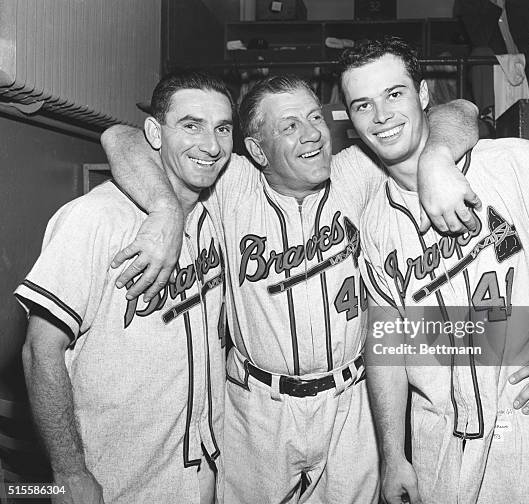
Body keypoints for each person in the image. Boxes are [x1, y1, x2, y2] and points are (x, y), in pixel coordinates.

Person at [100, 70, 480, 501]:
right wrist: (166, 208)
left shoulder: (356, 171)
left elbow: (461, 112)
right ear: (258, 151)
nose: (312, 135)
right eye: (290, 126)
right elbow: (120, 138)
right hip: (258, 410)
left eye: (314, 117)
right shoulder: (231, 183)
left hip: (351, 406)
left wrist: (435, 159)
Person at [338, 37, 529, 503]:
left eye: (395, 94)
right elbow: (387, 346)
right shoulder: (375, 224)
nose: (381, 115)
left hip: (527, 433)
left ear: (424, 95)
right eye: (363, 104)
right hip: (437, 445)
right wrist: (392, 456)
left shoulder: (508, 164)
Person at [14, 71, 231, 504]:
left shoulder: (216, 210)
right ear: (154, 132)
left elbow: (118, 136)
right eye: (191, 125)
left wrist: (169, 207)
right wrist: (68, 472)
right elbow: (40, 350)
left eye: (222, 128)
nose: (211, 144)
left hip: (203, 470)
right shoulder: (93, 218)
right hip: (118, 479)